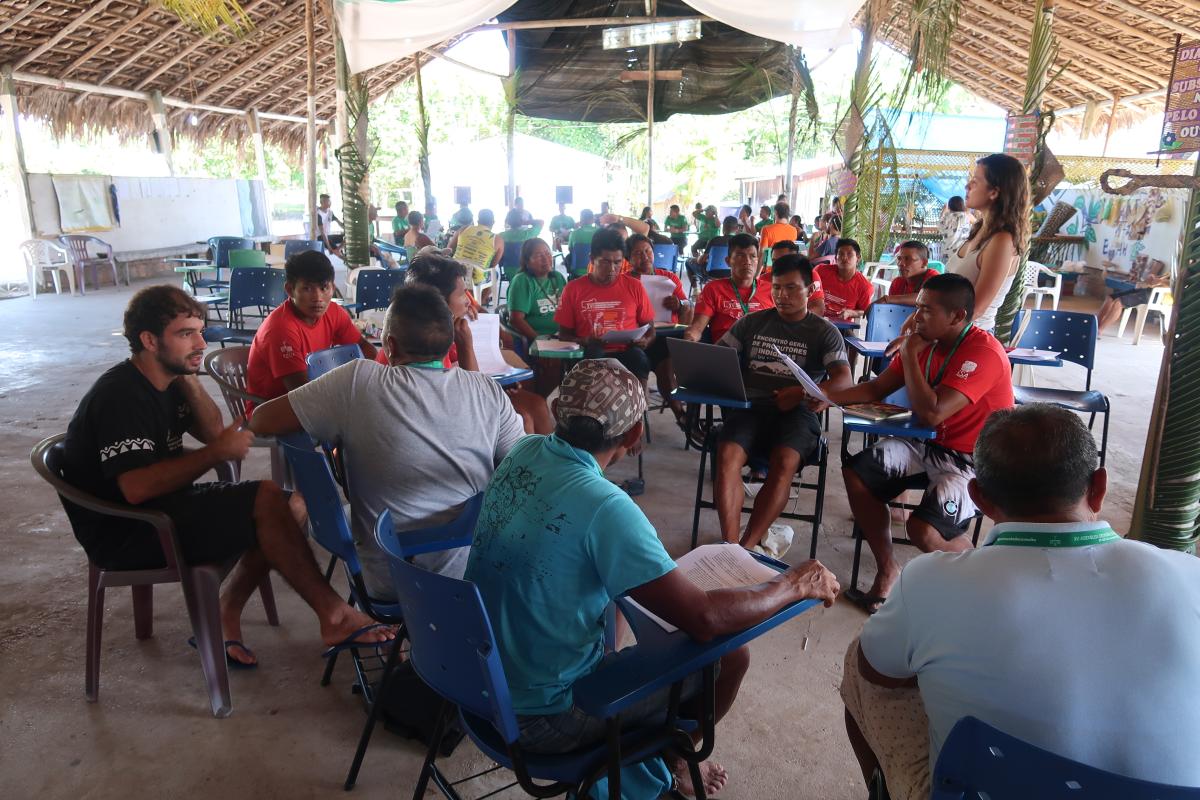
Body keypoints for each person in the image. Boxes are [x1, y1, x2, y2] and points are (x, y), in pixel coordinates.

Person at [465, 359, 841, 796]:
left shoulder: (523, 452)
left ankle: (657, 754)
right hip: (546, 719)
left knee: (621, 604)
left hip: (480, 684)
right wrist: (793, 584)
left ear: (559, 410)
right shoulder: (605, 506)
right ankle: (676, 755)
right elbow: (705, 619)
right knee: (731, 658)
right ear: (634, 434)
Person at [841, 404, 1200, 800]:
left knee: (862, 656)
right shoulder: (1190, 576)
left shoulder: (929, 580)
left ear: (979, 498)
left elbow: (875, 671)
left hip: (983, 789)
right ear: (1099, 487)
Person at [62, 286, 394, 667]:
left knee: (292, 506)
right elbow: (137, 489)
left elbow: (212, 431)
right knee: (266, 499)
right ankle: (333, 615)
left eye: (200, 332)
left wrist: (189, 377)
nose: (201, 343)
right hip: (128, 530)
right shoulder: (120, 396)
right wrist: (215, 454)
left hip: (164, 508)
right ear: (149, 341)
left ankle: (227, 610)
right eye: (186, 334)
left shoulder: (166, 380)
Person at [251, 285, 525, 600]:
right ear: (451, 343)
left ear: (390, 346)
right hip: (474, 578)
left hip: (390, 579)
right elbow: (523, 469)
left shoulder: (356, 382)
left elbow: (261, 420)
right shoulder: (486, 390)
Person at [827, 274, 1014, 613]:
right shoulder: (926, 343)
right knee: (858, 472)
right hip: (925, 444)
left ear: (957, 316)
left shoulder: (982, 352)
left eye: (927, 310)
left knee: (923, 530)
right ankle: (888, 569)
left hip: (973, 461)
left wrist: (910, 354)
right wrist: (822, 396)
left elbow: (931, 413)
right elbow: (875, 389)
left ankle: (991, 580)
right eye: (917, 308)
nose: (916, 318)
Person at [714, 255, 853, 550]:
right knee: (726, 456)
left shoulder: (823, 331)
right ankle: (730, 546)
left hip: (798, 413)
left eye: (791, 288)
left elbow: (844, 381)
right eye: (776, 287)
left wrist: (804, 393)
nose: (782, 295)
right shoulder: (752, 323)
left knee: (785, 462)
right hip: (751, 409)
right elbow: (716, 357)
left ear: (810, 290)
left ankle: (747, 547)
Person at [245, 250, 376, 402]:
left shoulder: (334, 312)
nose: (317, 298)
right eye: (307, 288)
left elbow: (366, 349)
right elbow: (304, 394)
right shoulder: (280, 329)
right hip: (272, 409)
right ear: (290, 290)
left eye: (324, 288)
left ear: (333, 288)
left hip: (312, 397)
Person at [555, 228, 656, 381]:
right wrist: (584, 340)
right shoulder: (573, 289)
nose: (612, 269)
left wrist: (645, 341)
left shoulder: (634, 286)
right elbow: (563, 335)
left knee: (639, 358)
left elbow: (650, 329)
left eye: (617, 262)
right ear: (592, 259)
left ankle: (640, 397)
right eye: (605, 262)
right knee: (594, 355)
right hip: (590, 352)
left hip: (627, 350)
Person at [944, 153, 1029, 333]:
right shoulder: (979, 229)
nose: (967, 186)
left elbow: (977, 309)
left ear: (994, 192)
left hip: (971, 335)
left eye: (975, 181)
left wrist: (927, 334)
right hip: (952, 331)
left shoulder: (1002, 240)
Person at [626, 233, 692, 422]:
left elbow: (688, 304)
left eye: (648, 251)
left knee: (669, 366)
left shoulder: (668, 277)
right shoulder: (625, 281)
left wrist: (679, 303)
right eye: (638, 253)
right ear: (628, 259)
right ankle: (679, 415)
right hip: (638, 338)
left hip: (667, 335)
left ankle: (683, 416)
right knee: (662, 367)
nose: (645, 256)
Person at [684, 233, 773, 345]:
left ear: (758, 261)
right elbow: (697, 327)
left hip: (759, 351)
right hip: (726, 351)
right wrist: (690, 337)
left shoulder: (771, 290)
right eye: (740, 256)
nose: (747, 262)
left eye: (752, 256)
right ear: (728, 261)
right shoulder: (713, 289)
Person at [507, 238, 568, 396]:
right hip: (536, 337)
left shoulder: (557, 278)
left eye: (547, 253)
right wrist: (539, 340)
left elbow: (569, 309)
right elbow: (516, 319)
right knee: (553, 360)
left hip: (562, 336)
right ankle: (546, 400)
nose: (546, 259)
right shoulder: (522, 281)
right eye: (539, 255)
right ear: (527, 261)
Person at [1097, 256, 1171, 333]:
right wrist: (1153, 278)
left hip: (1154, 296)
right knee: (1110, 298)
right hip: (1144, 290)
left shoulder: (1178, 277)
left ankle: (1100, 329)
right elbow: (1158, 280)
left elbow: (1173, 285)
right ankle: (1096, 324)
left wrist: (1160, 282)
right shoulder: (1171, 271)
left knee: (1118, 302)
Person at [815, 238, 873, 321]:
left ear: (858, 258)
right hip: (815, 320)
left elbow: (865, 311)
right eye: (841, 254)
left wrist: (851, 313)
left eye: (849, 254)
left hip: (841, 326)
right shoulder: (820, 271)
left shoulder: (865, 287)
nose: (845, 257)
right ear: (836, 258)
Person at [449, 208, 502, 290]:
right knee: (494, 274)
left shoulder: (463, 229)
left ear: (478, 221)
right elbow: (493, 265)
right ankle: (479, 297)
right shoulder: (498, 240)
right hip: (476, 279)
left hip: (455, 272)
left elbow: (449, 249)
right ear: (493, 222)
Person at [878, 240, 940, 306]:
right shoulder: (897, 283)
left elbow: (927, 298)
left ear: (924, 263)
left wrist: (887, 299)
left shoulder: (934, 278)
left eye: (907, 259)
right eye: (899, 258)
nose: (900, 263)